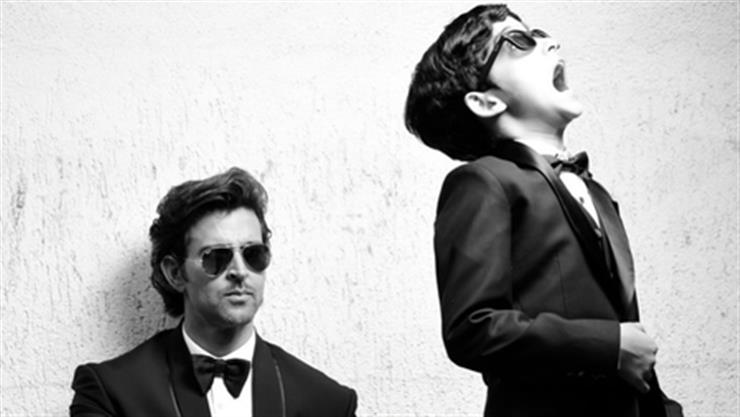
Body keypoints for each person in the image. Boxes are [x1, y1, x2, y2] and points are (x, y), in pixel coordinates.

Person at [404, 4, 682, 417]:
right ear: (486, 101)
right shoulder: (482, 181)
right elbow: (472, 327)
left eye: (540, 33)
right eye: (520, 41)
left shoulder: (597, 194)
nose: (549, 42)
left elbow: (625, 334)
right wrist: (607, 346)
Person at [70, 167, 357, 417]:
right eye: (216, 257)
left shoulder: (327, 402)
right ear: (175, 273)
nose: (239, 271)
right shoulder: (112, 393)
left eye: (253, 254)